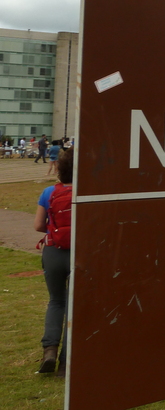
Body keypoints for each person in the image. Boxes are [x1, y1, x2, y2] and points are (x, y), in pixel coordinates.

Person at [34, 148, 74, 377]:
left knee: (56, 301)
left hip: (53, 252)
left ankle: (49, 350)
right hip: (79, 253)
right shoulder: (87, 192)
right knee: (72, 306)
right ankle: (66, 362)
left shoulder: (48, 192)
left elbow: (38, 225)